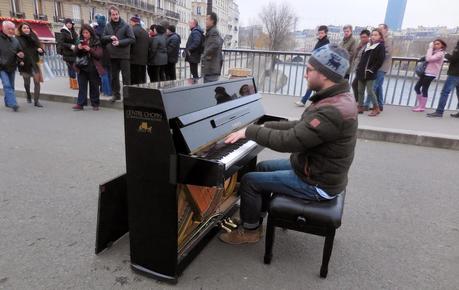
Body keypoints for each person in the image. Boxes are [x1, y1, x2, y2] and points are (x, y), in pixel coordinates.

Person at [219, 44, 357, 245]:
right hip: (316, 169)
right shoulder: (334, 98)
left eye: (309, 70)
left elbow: (290, 141)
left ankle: (250, 231)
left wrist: (250, 131)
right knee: (263, 167)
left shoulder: (332, 111)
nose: (304, 75)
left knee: (249, 180)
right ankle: (256, 215)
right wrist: (266, 124)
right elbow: (301, 127)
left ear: (325, 74)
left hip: (318, 182)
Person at [102, 6, 135, 102]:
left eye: (117, 14)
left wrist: (119, 42)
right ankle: (116, 95)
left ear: (119, 14)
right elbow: (103, 38)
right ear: (110, 15)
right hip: (112, 56)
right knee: (114, 77)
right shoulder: (107, 26)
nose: (115, 16)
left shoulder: (126, 25)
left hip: (124, 56)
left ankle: (127, 97)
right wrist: (110, 37)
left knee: (126, 77)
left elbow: (132, 39)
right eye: (113, 14)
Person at [72, 24, 105, 111]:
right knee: (82, 86)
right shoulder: (80, 40)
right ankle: (80, 104)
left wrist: (89, 49)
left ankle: (95, 104)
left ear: (90, 32)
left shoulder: (96, 40)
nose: (85, 35)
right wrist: (78, 48)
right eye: (83, 33)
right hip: (81, 66)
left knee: (94, 86)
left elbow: (99, 55)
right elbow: (75, 53)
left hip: (93, 66)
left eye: (86, 33)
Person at [295, 25, 330, 106]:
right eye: (319, 33)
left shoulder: (326, 42)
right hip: (316, 65)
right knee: (316, 85)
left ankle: (305, 101)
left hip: (319, 66)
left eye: (322, 33)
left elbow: (322, 55)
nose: (320, 34)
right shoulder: (320, 41)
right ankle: (317, 102)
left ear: (325, 33)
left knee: (313, 84)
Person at [356, 29, 385, 116]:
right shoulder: (368, 45)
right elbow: (362, 58)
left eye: (376, 35)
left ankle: (376, 108)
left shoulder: (380, 46)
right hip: (361, 71)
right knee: (360, 90)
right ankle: (360, 106)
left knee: (370, 91)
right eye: (372, 35)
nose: (373, 36)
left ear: (380, 36)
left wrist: (372, 70)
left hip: (370, 72)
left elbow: (380, 61)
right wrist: (358, 68)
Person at [412, 39, 446, 112]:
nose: (435, 45)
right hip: (425, 72)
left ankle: (422, 107)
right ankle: (421, 105)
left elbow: (429, 59)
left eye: (438, 44)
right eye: (435, 44)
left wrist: (430, 48)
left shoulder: (440, 53)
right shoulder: (434, 52)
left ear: (442, 45)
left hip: (431, 73)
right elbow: (426, 57)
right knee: (417, 87)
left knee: (424, 89)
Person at [427, 40, 459, 118]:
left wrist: (446, 54)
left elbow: (454, 59)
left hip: (455, 73)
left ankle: (439, 112)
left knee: (445, 92)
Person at [364, 23, 392, 111]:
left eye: (381, 29)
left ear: (386, 30)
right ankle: (380, 104)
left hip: (382, 66)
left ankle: (366, 104)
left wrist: (375, 58)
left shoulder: (388, 40)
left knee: (373, 86)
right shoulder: (378, 40)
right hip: (378, 66)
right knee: (378, 86)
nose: (379, 30)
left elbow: (387, 53)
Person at [16, 22, 44, 107]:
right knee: (27, 82)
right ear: (21, 29)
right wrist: (19, 60)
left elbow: (40, 48)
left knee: (37, 81)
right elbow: (16, 51)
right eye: (24, 28)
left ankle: (36, 101)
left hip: (35, 63)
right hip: (24, 63)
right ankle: (28, 95)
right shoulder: (17, 39)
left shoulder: (34, 37)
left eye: (27, 28)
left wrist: (40, 50)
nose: (26, 29)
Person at [0, 21, 24, 112]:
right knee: (7, 85)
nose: (11, 31)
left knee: (11, 86)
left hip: (12, 66)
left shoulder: (15, 40)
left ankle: (7, 102)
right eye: (8, 29)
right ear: (3, 29)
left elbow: (19, 52)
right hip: (1, 67)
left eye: (12, 29)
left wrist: (21, 57)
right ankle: (14, 104)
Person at [202, 12, 223, 83]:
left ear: (212, 21)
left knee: (209, 88)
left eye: (207, 19)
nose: (206, 21)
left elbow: (215, 45)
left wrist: (204, 54)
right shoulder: (211, 31)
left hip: (211, 67)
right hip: (210, 67)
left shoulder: (214, 32)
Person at [58, 18, 79, 90]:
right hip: (67, 53)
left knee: (71, 68)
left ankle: (72, 84)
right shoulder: (63, 32)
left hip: (73, 53)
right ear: (65, 24)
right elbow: (61, 43)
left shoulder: (73, 32)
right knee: (72, 68)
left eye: (71, 23)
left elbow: (76, 40)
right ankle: (74, 84)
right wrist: (70, 46)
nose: (69, 24)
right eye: (68, 23)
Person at [94, 14, 112, 96]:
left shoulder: (96, 31)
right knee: (109, 73)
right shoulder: (109, 28)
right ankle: (110, 91)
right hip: (110, 53)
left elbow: (95, 43)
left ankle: (106, 91)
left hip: (101, 54)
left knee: (103, 73)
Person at [351, 29, 371, 101]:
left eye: (365, 37)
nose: (363, 39)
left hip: (364, 69)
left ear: (369, 37)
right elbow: (356, 55)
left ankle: (359, 102)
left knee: (356, 85)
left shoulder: (369, 46)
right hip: (358, 68)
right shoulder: (360, 45)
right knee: (356, 85)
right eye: (361, 37)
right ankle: (358, 102)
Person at [129, 15, 149, 85]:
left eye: (130, 22)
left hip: (133, 59)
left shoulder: (131, 30)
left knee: (134, 79)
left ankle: (134, 94)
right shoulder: (145, 32)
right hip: (143, 60)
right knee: (142, 79)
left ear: (133, 22)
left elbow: (130, 44)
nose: (130, 23)